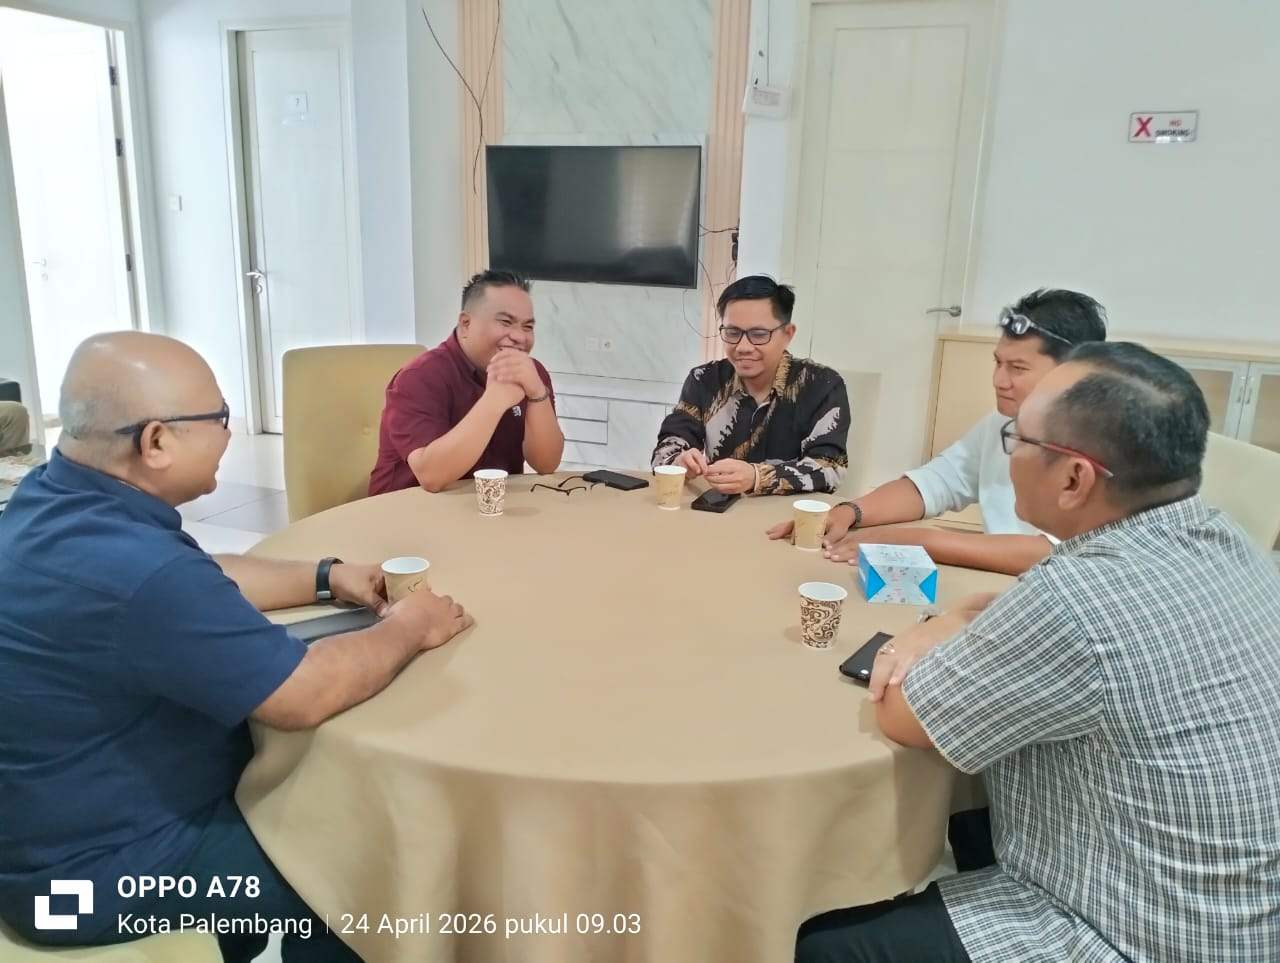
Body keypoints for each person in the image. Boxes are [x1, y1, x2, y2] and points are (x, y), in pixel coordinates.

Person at [796, 342, 1280, 962]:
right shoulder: (1224, 537)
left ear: (1075, 478)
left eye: (1019, 440)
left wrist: (933, 628)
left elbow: (905, 717)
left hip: (1134, 931)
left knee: (821, 942)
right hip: (1238, 912)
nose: (1010, 451)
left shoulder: (1078, 596)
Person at [0, 332, 473, 961]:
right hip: (92, 880)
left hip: (46, 837)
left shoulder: (53, 500)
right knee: (355, 872)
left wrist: (327, 576)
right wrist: (410, 626)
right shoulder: (140, 572)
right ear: (156, 442)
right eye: (219, 417)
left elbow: (198, 576)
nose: (229, 433)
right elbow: (304, 693)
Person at [768, 288, 1107, 575]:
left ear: (1074, 372)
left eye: (1018, 368)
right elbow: (937, 482)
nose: (999, 380)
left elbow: (1063, 554)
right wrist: (849, 512)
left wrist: (921, 541)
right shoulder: (1002, 423)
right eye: (998, 363)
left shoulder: (1108, 443)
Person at [369, 270, 563, 495]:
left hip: (489, 505)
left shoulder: (531, 373)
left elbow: (546, 464)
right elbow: (431, 477)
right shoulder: (419, 377)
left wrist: (537, 393)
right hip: (407, 507)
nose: (520, 337)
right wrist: (494, 401)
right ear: (465, 324)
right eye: (505, 322)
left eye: (527, 327)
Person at [652, 275, 850, 495]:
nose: (743, 347)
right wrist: (679, 461)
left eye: (758, 335)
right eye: (732, 333)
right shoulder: (704, 379)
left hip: (787, 512)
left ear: (788, 334)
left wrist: (757, 477)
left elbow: (831, 468)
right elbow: (666, 450)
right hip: (717, 509)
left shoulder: (821, 385)